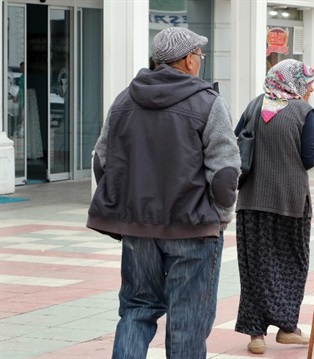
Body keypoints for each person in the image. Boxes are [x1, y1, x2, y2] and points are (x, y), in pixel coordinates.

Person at [86, 27, 241, 358]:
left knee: (137, 309)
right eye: (198, 55)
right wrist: (222, 216)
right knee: (188, 319)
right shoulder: (207, 102)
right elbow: (225, 172)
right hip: (193, 226)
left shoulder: (125, 99)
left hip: (138, 228)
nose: (200, 61)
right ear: (187, 60)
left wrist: (125, 207)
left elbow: (102, 161)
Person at [233, 59, 314, 355]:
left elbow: (234, 143)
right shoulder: (303, 111)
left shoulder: (254, 105)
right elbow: (308, 158)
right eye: (307, 82)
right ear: (295, 83)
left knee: (254, 267)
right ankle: (287, 327)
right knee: (291, 263)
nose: (311, 88)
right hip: (289, 202)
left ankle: (256, 335)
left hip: (250, 203)